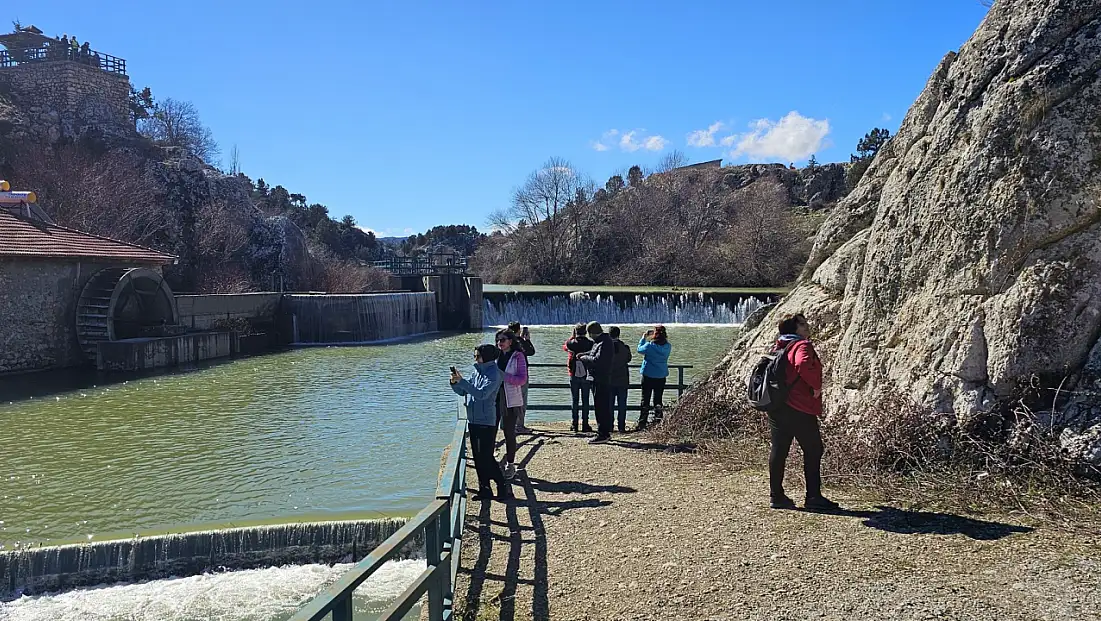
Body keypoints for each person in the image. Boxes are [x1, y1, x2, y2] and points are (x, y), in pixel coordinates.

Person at [768, 314, 838, 512]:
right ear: (795, 328)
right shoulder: (801, 346)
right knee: (814, 449)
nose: (807, 327)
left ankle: (777, 496)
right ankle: (813, 497)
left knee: (779, 449)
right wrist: (816, 386)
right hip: (799, 406)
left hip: (777, 405)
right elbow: (803, 364)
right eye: (803, 324)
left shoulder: (779, 345)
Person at [451, 344, 512, 502]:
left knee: (486, 457)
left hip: (487, 421)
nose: (475, 359)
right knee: (478, 457)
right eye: (474, 356)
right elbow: (464, 392)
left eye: (477, 356)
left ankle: (501, 484)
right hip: (473, 419)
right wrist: (455, 383)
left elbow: (482, 394)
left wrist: (463, 382)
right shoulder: (476, 371)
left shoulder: (495, 374)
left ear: (487, 356)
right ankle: (484, 488)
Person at [495, 330, 526, 480]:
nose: (499, 342)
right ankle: (491, 461)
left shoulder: (518, 356)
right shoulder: (495, 354)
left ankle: (510, 464)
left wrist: (503, 376)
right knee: (491, 429)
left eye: (503, 339)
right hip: (494, 397)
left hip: (510, 399)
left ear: (511, 341)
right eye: (498, 339)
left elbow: (522, 379)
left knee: (509, 432)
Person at [578, 321, 614, 444]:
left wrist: (584, 358)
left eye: (589, 333)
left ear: (592, 332)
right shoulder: (600, 342)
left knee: (601, 406)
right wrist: (585, 354)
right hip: (597, 378)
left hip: (601, 379)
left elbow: (598, 360)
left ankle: (603, 433)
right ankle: (604, 431)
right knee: (601, 406)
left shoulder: (604, 343)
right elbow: (594, 354)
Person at [637, 325, 671, 431]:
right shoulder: (668, 346)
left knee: (645, 400)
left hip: (648, 375)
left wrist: (644, 337)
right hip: (661, 376)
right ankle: (658, 421)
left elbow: (639, 350)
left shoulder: (649, 346)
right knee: (658, 400)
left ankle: (642, 423)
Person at [563, 323, 593, 433]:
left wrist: (572, 336)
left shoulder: (571, 343)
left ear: (576, 331)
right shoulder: (590, 343)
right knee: (585, 401)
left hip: (573, 374)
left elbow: (565, 347)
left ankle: (574, 424)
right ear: (586, 332)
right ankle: (585, 424)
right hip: (586, 374)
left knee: (575, 400)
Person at [508, 321, 536, 434]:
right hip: (521, 375)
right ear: (519, 330)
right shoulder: (520, 342)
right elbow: (531, 352)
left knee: (509, 401)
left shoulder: (505, 341)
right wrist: (527, 340)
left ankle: (509, 425)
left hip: (509, 376)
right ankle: (519, 426)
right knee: (522, 401)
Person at [608, 326, 633, 432]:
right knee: (622, 404)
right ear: (619, 334)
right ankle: (621, 426)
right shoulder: (625, 347)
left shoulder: (606, 348)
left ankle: (610, 426)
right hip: (623, 379)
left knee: (610, 405)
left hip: (609, 380)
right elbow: (629, 359)